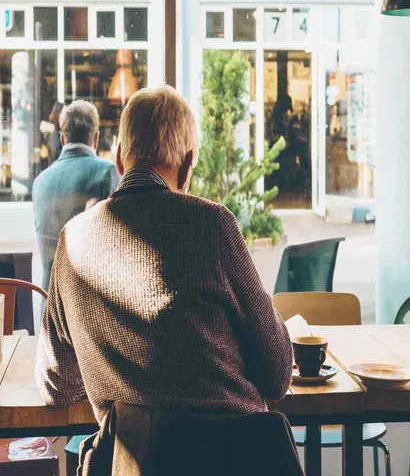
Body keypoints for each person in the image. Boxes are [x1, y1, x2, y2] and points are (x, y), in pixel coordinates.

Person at [36, 84, 292, 427]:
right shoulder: (213, 225)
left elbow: (56, 384)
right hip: (232, 456)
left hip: (132, 462)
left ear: (120, 158)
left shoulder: (73, 240)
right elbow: (277, 374)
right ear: (187, 166)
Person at [32, 100, 119, 292]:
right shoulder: (107, 173)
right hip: (87, 305)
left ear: (63, 139)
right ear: (96, 138)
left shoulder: (39, 182)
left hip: (49, 305)